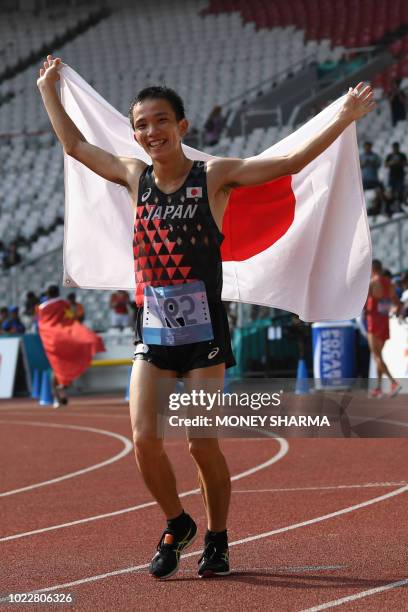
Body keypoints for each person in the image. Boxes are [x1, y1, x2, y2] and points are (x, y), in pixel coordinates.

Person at [37, 53, 375, 579]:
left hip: (205, 335)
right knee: (144, 439)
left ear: (181, 126)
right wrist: (48, 91)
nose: (152, 132)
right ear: (134, 135)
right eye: (142, 125)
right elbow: (75, 146)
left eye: (161, 121)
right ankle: (178, 521)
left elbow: (287, 165)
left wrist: (343, 117)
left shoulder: (213, 175)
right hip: (153, 332)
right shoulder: (132, 176)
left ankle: (217, 537)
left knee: (200, 441)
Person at [38, 285, 105, 408]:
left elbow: (41, 324)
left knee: (56, 367)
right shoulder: (64, 304)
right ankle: (62, 387)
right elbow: (71, 318)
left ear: (47, 294)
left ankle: (57, 396)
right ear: (58, 292)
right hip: (65, 338)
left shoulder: (42, 308)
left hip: (52, 340)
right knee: (64, 365)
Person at [365, 259, 401, 398]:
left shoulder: (372, 283)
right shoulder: (390, 284)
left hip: (373, 322)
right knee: (378, 356)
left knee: (377, 356)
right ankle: (379, 387)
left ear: (373, 269)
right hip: (384, 321)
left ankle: (393, 383)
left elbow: (362, 304)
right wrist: (396, 312)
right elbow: (398, 303)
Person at [359, 141, 386, 215]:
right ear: (364, 147)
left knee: (380, 193)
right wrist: (364, 163)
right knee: (360, 195)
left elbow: (379, 164)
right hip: (365, 179)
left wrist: (372, 163)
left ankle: (383, 208)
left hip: (374, 179)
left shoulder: (375, 156)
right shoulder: (361, 156)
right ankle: (361, 210)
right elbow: (358, 166)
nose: (367, 148)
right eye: (366, 146)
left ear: (371, 147)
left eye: (368, 146)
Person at [385, 142, 407, 212]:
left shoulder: (402, 155)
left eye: (396, 147)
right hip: (392, 176)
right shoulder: (390, 156)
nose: (395, 149)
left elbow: (406, 164)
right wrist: (392, 162)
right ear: (393, 148)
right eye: (394, 147)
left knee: (400, 190)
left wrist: (399, 162)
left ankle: (400, 204)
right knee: (392, 191)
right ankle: (392, 206)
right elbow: (386, 165)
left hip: (400, 176)